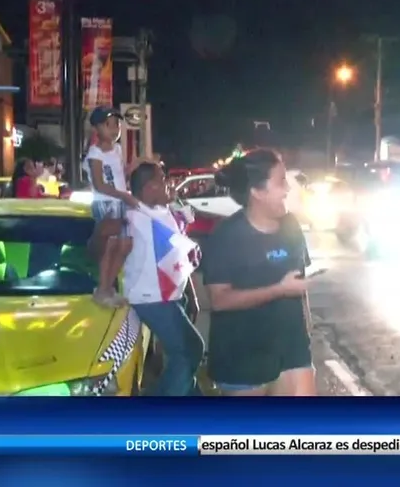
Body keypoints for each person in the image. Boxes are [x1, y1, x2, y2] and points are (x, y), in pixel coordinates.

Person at [201, 149, 316, 396]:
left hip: (292, 350)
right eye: (281, 182)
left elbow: (299, 278)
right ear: (257, 191)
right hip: (242, 357)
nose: (288, 189)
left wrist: (307, 326)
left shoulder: (291, 225)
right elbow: (220, 300)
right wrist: (279, 290)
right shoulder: (226, 236)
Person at [124, 162, 204, 396]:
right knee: (190, 350)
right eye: (162, 180)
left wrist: (190, 292)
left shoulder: (163, 211)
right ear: (149, 188)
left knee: (185, 354)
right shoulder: (132, 215)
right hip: (150, 297)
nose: (168, 184)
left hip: (169, 295)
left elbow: (176, 254)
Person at [83, 106, 140, 307]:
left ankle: (107, 288)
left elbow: (118, 176)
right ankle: (102, 290)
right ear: (97, 128)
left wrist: (131, 168)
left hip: (120, 202)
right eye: (109, 125)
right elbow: (99, 184)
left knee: (125, 245)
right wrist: (124, 196)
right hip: (105, 203)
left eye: (117, 124)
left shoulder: (118, 149)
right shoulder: (94, 152)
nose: (115, 129)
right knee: (110, 246)